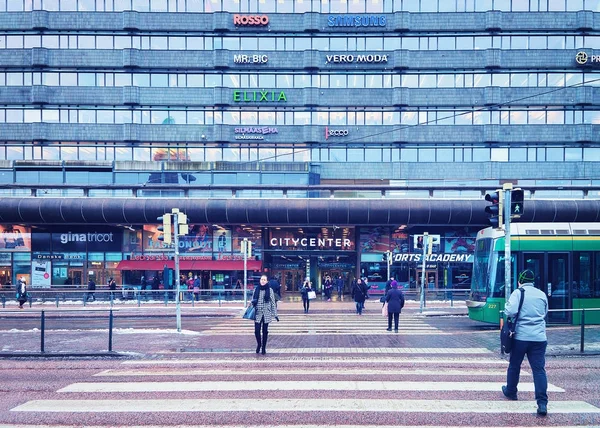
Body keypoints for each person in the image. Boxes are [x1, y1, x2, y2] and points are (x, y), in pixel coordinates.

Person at [502, 269, 549, 417]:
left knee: (515, 365)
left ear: (520, 281)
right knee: (539, 370)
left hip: (521, 337)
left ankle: (511, 391)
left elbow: (509, 311)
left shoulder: (518, 293)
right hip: (539, 338)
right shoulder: (541, 294)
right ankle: (542, 403)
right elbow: (545, 312)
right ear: (533, 281)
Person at [251, 275, 278, 355]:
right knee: (256, 331)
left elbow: (273, 303)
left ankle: (263, 347)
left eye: (264, 280)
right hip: (258, 313)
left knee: (265, 331)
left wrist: (275, 314)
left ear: (267, 281)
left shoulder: (270, 290)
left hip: (266, 313)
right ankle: (259, 344)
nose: (262, 281)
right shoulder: (256, 289)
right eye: (261, 279)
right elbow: (253, 300)